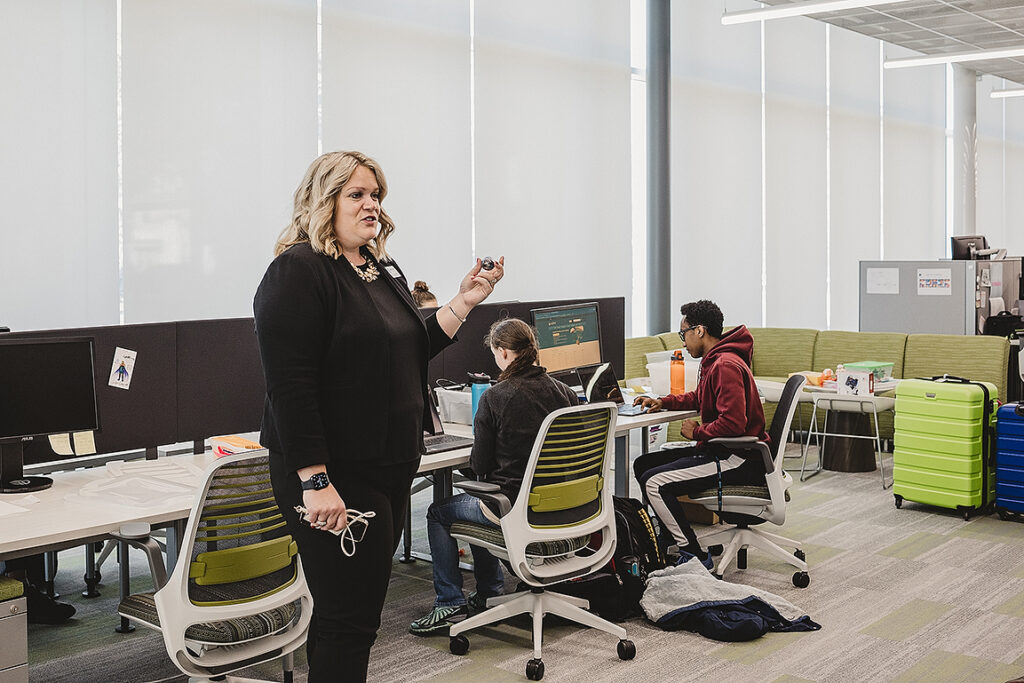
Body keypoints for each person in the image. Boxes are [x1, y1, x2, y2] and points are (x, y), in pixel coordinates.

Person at [253, 150, 505, 683]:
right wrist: (315, 480)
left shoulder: (378, 266)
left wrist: (465, 300)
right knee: (354, 620)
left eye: (376, 196)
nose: (372, 206)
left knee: (345, 612)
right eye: (357, 195)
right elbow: (289, 387)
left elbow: (410, 345)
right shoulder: (298, 272)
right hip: (336, 473)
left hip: (387, 465)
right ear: (324, 202)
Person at [409, 317, 578, 635]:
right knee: (482, 494)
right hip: (564, 507)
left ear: (502, 352)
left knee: (439, 512)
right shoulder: (566, 394)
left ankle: (449, 602)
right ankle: (488, 592)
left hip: (515, 507)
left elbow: (480, 464)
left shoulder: (495, 398)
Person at [632, 299, 768, 570]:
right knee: (643, 464)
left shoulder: (725, 365)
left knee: (654, 483)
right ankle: (668, 539)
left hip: (738, 458)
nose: (682, 341)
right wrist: (666, 401)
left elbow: (733, 424)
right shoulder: (717, 360)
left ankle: (693, 555)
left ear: (700, 331)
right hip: (724, 450)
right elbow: (702, 396)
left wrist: (697, 431)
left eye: (684, 334)